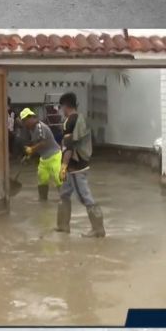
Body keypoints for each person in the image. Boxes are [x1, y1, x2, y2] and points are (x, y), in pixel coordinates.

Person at [55, 92, 105, 238]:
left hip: (75, 167)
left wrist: (63, 166)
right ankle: (63, 226)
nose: (61, 110)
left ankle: (98, 229)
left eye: (61, 107)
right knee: (64, 194)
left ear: (65, 106)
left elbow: (69, 147)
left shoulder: (70, 121)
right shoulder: (80, 119)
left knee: (85, 197)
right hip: (75, 164)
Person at [20, 107, 62, 201]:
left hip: (54, 156)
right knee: (42, 179)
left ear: (31, 118)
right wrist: (28, 156)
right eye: (23, 122)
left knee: (58, 178)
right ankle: (43, 200)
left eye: (25, 121)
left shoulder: (40, 126)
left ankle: (65, 199)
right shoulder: (31, 129)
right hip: (44, 158)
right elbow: (36, 145)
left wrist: (31, 149)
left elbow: (43, 143)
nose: (24, 124)